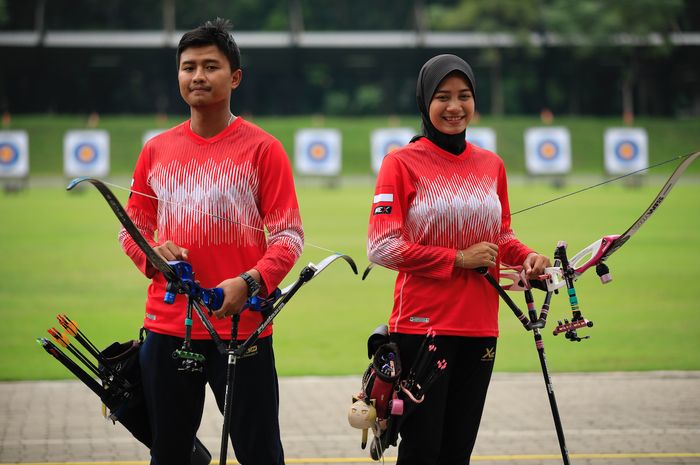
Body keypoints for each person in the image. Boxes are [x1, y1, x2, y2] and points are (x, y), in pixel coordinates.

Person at [120, 18, 303, 465]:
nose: (197, 76)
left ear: (234, 77)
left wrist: (252, 281)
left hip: (242, 328)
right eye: (188, 67)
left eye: (210, 66)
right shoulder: (156, 150)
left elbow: (290, 235)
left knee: (260, 452)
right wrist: (152, 253)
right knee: (169, 453)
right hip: (168, 328)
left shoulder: (264, 149)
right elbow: (132, 229)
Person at [366, 54, 550, 464]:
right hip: (422, 327)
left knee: (457, 451)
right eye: (443, 96)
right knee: (422, 450)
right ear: (424, 102)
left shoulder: (491, 164)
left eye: (464, 96)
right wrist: (457, 259)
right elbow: (381, 246)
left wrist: (530, 258)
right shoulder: (401, 162)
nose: (454, 107)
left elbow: (502, 236)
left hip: (481, 328)